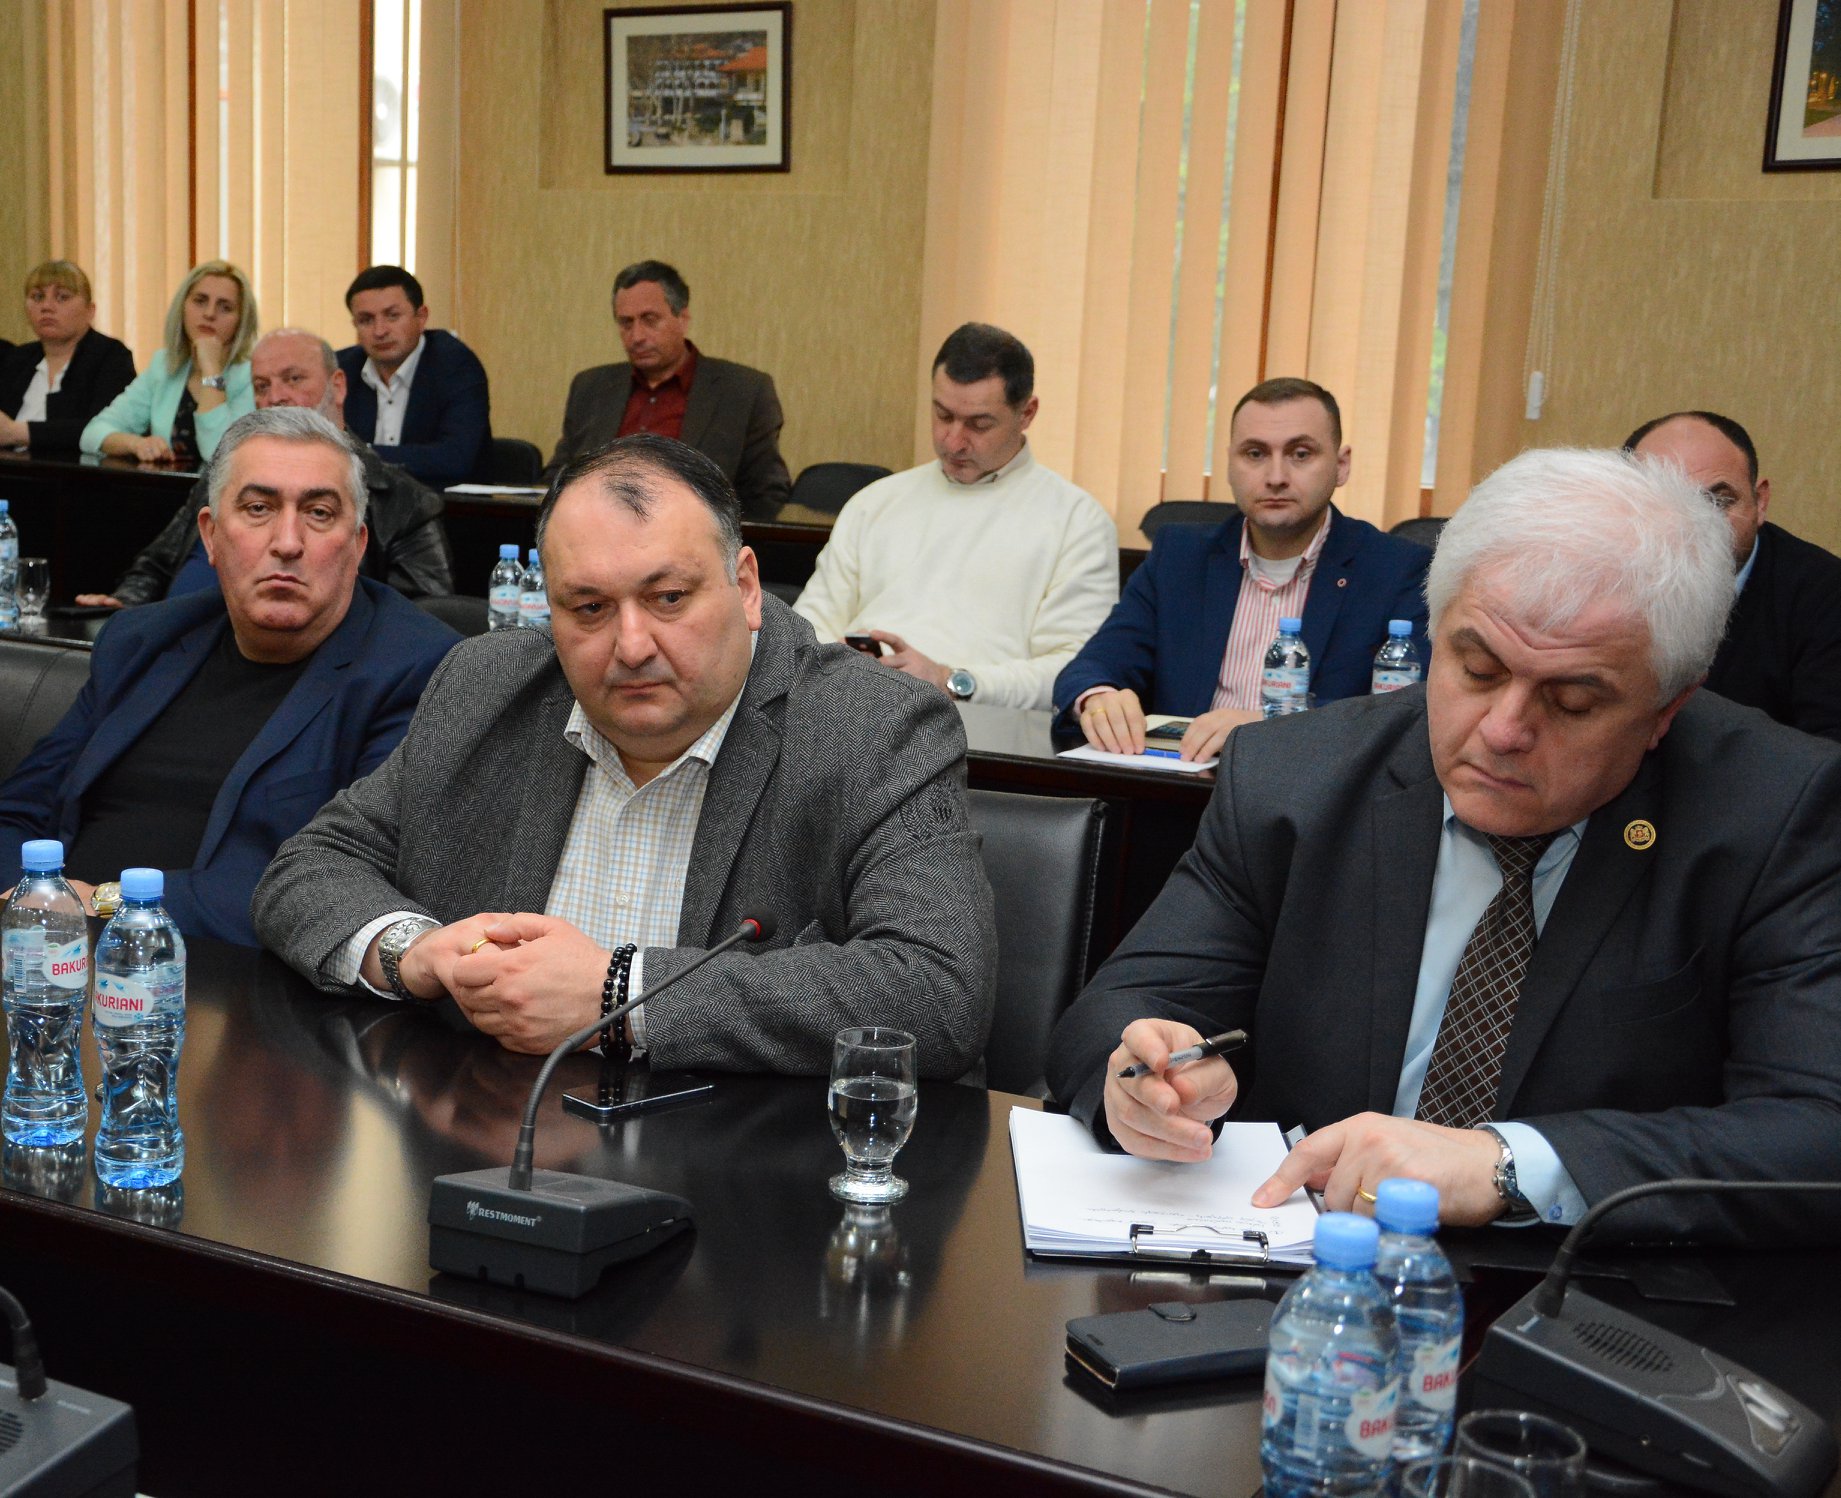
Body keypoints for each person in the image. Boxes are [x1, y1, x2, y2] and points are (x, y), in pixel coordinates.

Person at [1046, 447, 1841, 1246]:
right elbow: (1119, 1009)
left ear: (1667, 708)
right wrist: (1143, 1079)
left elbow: (1816, 1131)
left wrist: (1509, 1164)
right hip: (1304, 1263)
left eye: (1570, 701)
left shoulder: (1776, 811)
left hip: (1595, 1288)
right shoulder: (1294, 778)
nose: (1502, 731)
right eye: (1477, 669)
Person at [253, 433, 995, 1079]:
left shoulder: (873, 727)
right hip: (488, 1131)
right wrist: (414, 953)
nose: (632, 646)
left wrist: (621, 995)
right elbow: (311, 865)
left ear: (744, 587)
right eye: (590, 609)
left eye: (668, 598)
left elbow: (936, 989)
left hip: (745, 1163)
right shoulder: (485, 687)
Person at [0, 408, 459, 945]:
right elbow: (20, 812)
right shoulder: (142, 641)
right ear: (212, 536)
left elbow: (344, 881)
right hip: (46, 954)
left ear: (357, 546)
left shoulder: (418, 670)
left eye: (318, 513)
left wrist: (107, 904)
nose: (287, 541)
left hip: (228, 976)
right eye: (259, 508)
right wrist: (28, 907)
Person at [1054, 378, 1430, 763]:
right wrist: (1098, 698)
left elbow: (1413, 709)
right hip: (1183, 782)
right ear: (1230, 464)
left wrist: (1275, 725)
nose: (1276, 477)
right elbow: (1093, 665)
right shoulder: (1179, 557)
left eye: (1301, 454)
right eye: (1255, 454)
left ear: (1341, 465)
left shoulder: (1397, 569)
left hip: (1316, 788)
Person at [792, 323, 1117, 710]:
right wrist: (839, 667)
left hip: (980, 721)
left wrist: (953, 680)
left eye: (979, 424)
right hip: (851, 708)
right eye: (943, 415)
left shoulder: (1077, 522)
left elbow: (1074, 671)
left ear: (1027, 413)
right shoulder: (875, 503)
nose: (953, 441)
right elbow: (806, 630)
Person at [76, 329, 454, 609]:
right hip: (180, 650)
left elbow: (419, 621)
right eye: (261, 385)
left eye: (293, 379)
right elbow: (156, 565)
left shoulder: (405, 502)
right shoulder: (224, 474)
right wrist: (124, 604)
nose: (275, 397)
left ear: (337, 386)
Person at [1625, 409, 1841, 744]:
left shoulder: (1826, 596)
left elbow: (1829, 753)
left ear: (1760, 502)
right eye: (1664, 504)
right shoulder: (1594, 574)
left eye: (1717, 501)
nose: (1695, 527)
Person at [544, 260, 792, 517]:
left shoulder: (743, 391)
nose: (637, 336)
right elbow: (558, 479)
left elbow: (767, 495)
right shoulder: (591, 387)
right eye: (626, 323)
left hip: (692, 535)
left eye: (650, 320)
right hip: (596, 530)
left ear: (682, 318)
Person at [80, 259, 257, 465]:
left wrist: (211, 371)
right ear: (183, 307)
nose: (209, 314)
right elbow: (92, 434)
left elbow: (219, 454)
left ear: (241, 320)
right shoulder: (164, 366)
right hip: (167, 484)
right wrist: (136, 444)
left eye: (225, 307)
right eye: (200, 301)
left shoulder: (252, 375)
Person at [336, 265, 492, 489]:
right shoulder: (341, 369)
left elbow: (455, 458)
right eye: (366, 320)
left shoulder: (456, 366)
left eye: (392, 316)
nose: (380, 331)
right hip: (364, 505)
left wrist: (358, 454)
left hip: (446, 505)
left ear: (421, 317)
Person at [0, 260, 136, 451]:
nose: (47, 306)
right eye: (38, 297)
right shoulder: (17, 359)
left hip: (74, 469)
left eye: (62, 297)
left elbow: (104, 428)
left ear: (90, 311)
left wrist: (16, 432)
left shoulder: (110, 356)